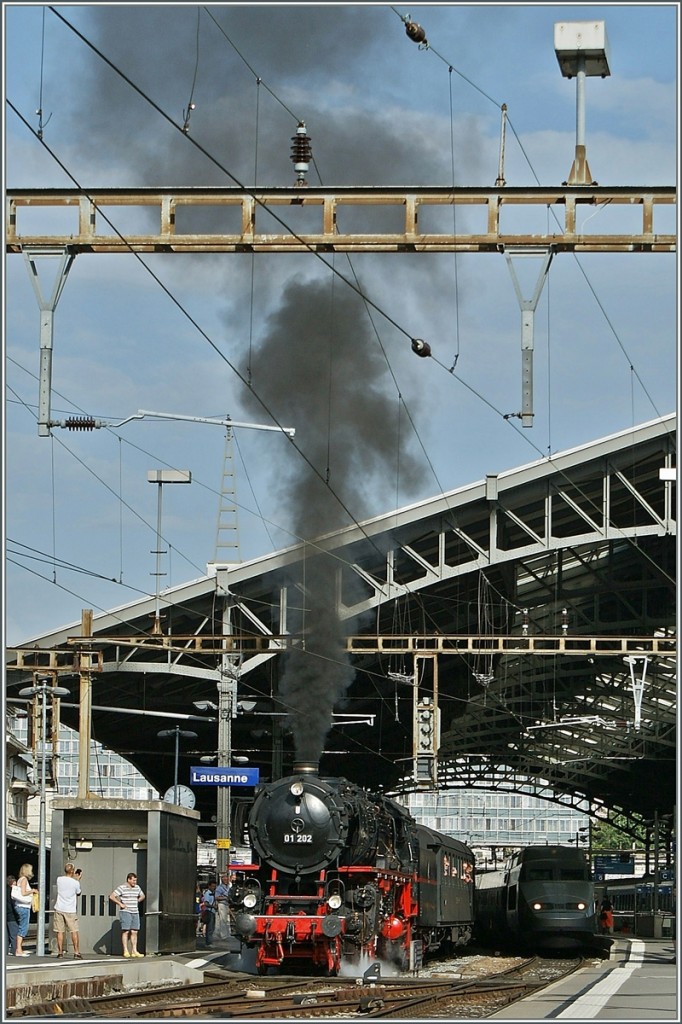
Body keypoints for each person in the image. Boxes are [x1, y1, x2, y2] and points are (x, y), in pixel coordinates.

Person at [109, 872, 145, 957]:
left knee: (134, 931)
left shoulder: (137, 887)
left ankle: (134, 951)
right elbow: (112, 896)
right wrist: (120, 904)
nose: (134, 882)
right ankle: (125, 950)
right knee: (126, 931)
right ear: (128, 879)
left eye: (135, 880)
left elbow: (143, 895)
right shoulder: (122, 888)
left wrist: (137, 900)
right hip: (126, 911)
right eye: (133, 880)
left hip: (135, 911)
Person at [53, 863, 83, 958]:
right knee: (74, 931)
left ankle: (60, 952)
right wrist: (77, 879)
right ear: (73, 871)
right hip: (70, 909)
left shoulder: (59, 879)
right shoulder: (75, 883)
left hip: (59, 908)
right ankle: (76, 952)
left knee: (60, 931)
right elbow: (78, 893)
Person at [11, 865, 38, 957]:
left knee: (21, 927)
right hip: (23, 906)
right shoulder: (24, 880)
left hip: (19, 906)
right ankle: (19, 950)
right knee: (23, 928)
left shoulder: (19, 879)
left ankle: (19, 949)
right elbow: (23, 893)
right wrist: (32, 890)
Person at [214, 872, 232, 940]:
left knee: (227, 920)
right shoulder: (219, 888)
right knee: (223, 920)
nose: (227, 880)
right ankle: (224, 935)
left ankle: (227, 934)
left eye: (227, 879)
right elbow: (216, 897)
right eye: (225, 879)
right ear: (223, 879)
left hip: (227, 904)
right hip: (222, 904)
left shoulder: (228, 887)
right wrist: (225, 898)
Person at [6, 875, 21, 956]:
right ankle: (15, 950)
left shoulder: (4, 890)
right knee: (14, 935)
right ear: (13, 882)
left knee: (6, 936)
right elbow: (14, 904)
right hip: (12, 915)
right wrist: (18, 915)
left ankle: (5, 951)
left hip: (5, 915)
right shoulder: (13, 891)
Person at [201, 880, 217, 947]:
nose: (214, 887)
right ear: (209, 886)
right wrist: (213, 906)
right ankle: (208, 943)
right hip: (209, 911)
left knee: (212, 927)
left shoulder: (213, 893)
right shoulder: (207, 893)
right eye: (212, 886)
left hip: (212, 911)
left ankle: (210, 942)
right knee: (209, 928)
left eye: (214, 886)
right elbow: (206, 903)